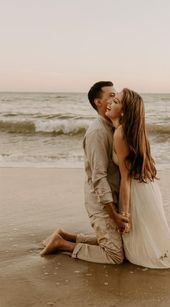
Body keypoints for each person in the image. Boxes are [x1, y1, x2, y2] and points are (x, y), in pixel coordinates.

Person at [105, 88, 170, 269]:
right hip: (146, 187)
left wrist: (126, 216)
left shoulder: (120, 134)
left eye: (115, 102)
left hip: (136, 192)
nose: (109, 102)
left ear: (124, 111)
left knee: (139, 254)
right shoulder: (133, 130)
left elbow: (125, 178)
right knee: (148, 241)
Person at [40, 81, 128, 264]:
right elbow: (99, 177)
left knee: (123, 246)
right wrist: (113, 214)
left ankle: (65, 236)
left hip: (113, 198)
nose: (115, 98)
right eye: (110, 96)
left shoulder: (114, 126)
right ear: (98, 102)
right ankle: (62, 244)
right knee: (115, 256)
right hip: (102, 203)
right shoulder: (97, 132)